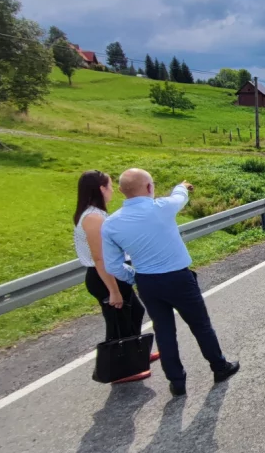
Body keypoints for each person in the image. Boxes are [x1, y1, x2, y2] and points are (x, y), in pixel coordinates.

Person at [101, 169, 239, 397]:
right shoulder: (161, 208)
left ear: (122, 191)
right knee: (200, 325)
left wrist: (135, 276)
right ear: (148, 187)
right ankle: (219, 367)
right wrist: (183, 185)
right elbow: (180, 197)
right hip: (178, 278)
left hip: (147, 283)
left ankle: (176, 382)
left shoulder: (111, 224)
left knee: (164, 330)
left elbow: (113, 265)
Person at [73, 170, 157, 384]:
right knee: (117, 322)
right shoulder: (93, 217)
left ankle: (136, 354)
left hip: (110, 272)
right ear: (101, 189)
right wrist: (113, 290)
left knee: (134, 312)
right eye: (109, 186)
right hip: (104, 276)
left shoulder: (95, 213)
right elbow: (100, 258)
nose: (112, 191)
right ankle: (120, 370)